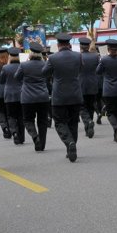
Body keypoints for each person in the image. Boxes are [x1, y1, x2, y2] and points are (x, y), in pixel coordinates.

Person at [41, 33, 84, 162]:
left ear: (58, 44)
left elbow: (44, 73)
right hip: (75, 94)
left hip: (59, 96)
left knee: (60, 122)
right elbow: (81, 69)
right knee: (73, 122)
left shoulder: (53, 58)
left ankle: (69, 142)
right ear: (69, 44)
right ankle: (72, 146)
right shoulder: (78, 56)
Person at [15, 42, 50, 152]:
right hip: (43, 96)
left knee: (28, 120)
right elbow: (49, 77)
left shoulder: (24, 65)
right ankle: (42, 144)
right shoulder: (45, 64)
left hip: (27, 97)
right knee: (42, 121)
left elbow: (16, 77)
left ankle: (35, 137)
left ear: (30, 53)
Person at [96, 39, 117, 142]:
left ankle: (116, 128)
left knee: (110, 112)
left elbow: (98, 71)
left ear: (108, 49)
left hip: (109, 90)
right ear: (116, 49)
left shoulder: (104, 60)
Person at [0, 47, 25, 145]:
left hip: (9, 95)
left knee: (11, 116)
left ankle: (14, 132)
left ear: (9, 56)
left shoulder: (5, 67)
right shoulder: (22, 66)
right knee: (20, 116)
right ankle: (21, 137)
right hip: (21, 93)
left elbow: (1, 81)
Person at [78, 37, 99, 138]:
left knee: (82, 107)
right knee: (90, 106)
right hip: (93, 84)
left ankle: (88, 121)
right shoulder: (95, 56)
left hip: (81, 84)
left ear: (80, 46)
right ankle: (88, 128)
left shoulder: (78, 56)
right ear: (88, 46)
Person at [0, 48, 11, 139]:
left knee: (0, 111)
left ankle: (5, 127)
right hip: (9, 91)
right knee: (8, 111)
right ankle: (11, 128)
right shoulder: (10, 64)